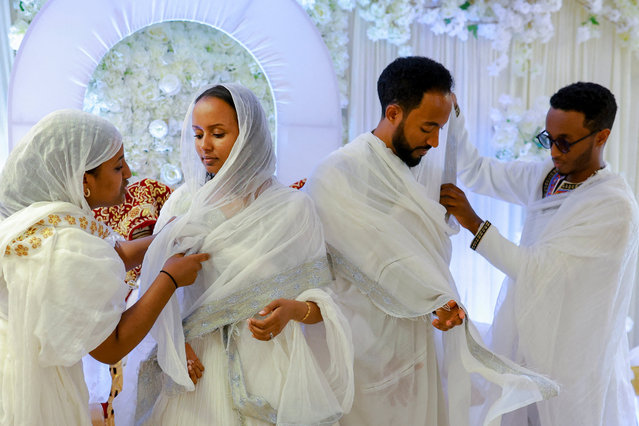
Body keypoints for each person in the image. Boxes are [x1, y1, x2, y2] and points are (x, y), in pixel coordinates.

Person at [306, 56, 558, 426]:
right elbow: (368, 260)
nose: (435, 140)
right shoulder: (336, 173)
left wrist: (435, 299)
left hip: (419, 337)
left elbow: (425, 248)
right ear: (393, 113)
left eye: (441, 127)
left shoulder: (424, 169)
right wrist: (434, 296)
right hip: (362, 345)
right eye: (428, 127)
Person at [125, 84, 353, 426]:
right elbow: (157, 288)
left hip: (272, 365)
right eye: (198, 134)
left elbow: (323, 301)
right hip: (198, 368)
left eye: (218, 133)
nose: (205, 145)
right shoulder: (184, 204)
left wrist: (293, 310)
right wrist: (173, 346)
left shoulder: (292, 209)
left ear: (249, 135)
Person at [440, 81, 639, 425]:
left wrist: (474, 223)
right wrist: (454, 117)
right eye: (548, 138)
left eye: (565, 142)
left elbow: (536, 269)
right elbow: (478, 172)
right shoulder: (548, 176)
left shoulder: (611, 205)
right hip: (526, 340)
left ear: (601, 137)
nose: (554, 151)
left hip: (573, 359)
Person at [0, 110, 208, 425]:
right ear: (84, 180)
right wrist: (169, 278)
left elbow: (113, 254)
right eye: (116, 165)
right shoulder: (66, 245)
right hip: (30, 384)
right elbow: (110, 347)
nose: (128, 171)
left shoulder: (43, 218)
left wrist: (166, 236)